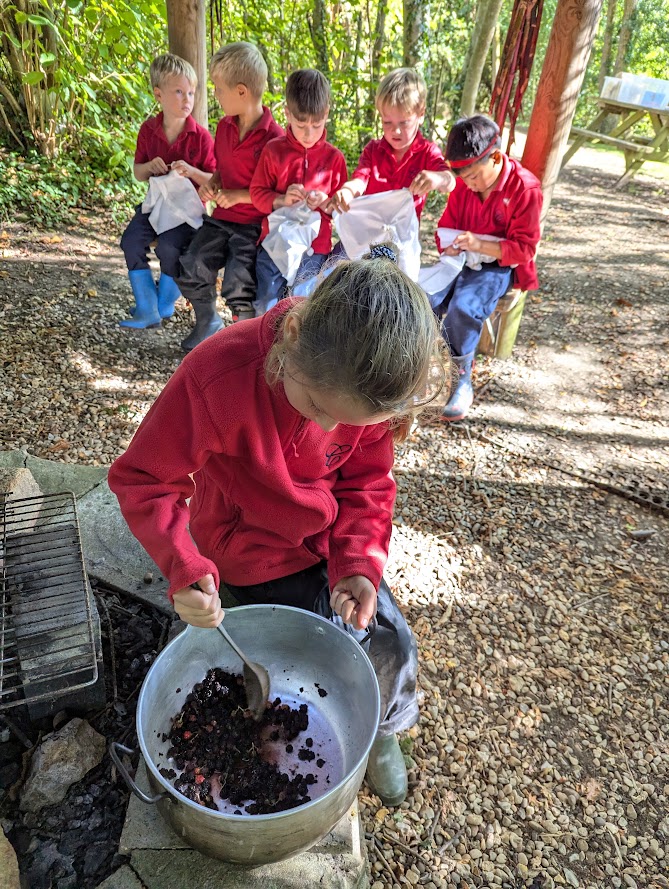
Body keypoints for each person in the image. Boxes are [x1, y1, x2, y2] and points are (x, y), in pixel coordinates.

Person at [108, 245, 448, 807]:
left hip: (324, 543)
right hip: (246, 551)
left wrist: (358, 565)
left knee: (390, 645)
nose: (330, 427)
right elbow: (145, 478)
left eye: (355, 423)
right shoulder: (218, 374)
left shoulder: (368, 394)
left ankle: (381, 733)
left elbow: (366, 486)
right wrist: (183, 565)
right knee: (263, 669)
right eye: (316, 406)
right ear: (290, 340)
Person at [432, 114, 543, 421]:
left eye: (476, 177)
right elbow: (446, 226)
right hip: (462, 258)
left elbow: (524, 249)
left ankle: (461, 377)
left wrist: (481, 246)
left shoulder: (525, 188)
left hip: (499, 266)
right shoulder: (464, 185)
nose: (469, 184)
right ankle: (420, 365)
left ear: (496, 156)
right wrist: (450, 245)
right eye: (464, 179)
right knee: (425, 298)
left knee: (464, 307)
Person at [176, 42, 283, 352]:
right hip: (221, 219)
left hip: (253, 225)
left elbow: (275, 194)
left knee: (239, 279)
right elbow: (222, 171)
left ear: (241, 92)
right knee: (193, 261)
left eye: (218, 89)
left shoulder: (275, 139)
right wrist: (213, 185)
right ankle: (208, 322)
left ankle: (245, 340)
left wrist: (239, 196)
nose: (215, 95)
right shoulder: (223, 127)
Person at [119, 53, 216, 330]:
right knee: (131, 241)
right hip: (155, 206)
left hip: (186, 214)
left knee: (170, 248)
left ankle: (164, 303)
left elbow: (212, 180)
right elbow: (138, 173)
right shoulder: (148, 130)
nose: (187, 99)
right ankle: (146, 307)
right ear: (158, 94)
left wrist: (191, 171)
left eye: (191, 93)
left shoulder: (201, 137)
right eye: (178, 92)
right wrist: (150, 166)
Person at [249, 69, 348, 315]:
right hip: (275, 242)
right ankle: (263, 349)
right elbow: (257, 194)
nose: (308, 133)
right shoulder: (274, 151)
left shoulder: (334, 159)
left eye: (316, 125)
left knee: (301, 306)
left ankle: (293, 352)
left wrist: (325, 203)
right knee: (266, 303)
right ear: (287, 114)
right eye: (301, 124)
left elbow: (342, 212)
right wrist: (281, 200)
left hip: (315, 247)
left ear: (326, 114)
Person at [329, 68, 455, 221]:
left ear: (420, 115)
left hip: (402, 239)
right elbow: (360, 180)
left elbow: (450, 182)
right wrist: (347, 191)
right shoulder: (373, 151)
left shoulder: (427, 152)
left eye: (404, 123)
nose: (396, 131)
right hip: (369, 232)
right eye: (387, 122)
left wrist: (438, 178)